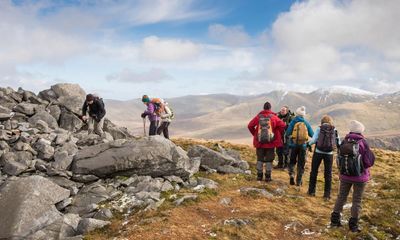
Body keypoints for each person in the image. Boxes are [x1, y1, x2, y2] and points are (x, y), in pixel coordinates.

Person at [330, 120, 375, 232]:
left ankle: (335, 221)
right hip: (360, 177)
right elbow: (369, 161)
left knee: (341, 197)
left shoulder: (345, 141)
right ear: (360, 131)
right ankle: (353, 225)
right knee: (357, 200)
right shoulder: (363, 142)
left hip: (345, 175)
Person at [248, 102, 286, 182]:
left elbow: (250, 126)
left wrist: (256, 135)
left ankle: (259, 176)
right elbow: (283, 125)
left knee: (260, 159)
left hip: (260, 143)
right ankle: (268, 177)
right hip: (270, 143)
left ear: (263, 108)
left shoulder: (258, 117)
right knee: (269, 160)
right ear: (270, 108)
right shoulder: (274, 117)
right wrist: (275, 133)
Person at [307, 115, 340, 200]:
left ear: (322, 121)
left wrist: (308, 144)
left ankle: (311, 191)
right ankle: (327, 195)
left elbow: (314, 140)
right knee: (328, 173)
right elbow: (338, 142)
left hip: (318, 152)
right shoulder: (334, 130)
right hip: (329, 154)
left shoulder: (319, 129)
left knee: (314, 171)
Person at [285, 106, 314, 186]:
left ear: (297, 114)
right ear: (303, 115)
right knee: (301, 164)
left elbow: (287, 133)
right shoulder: (306, 122)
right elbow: (312, 134)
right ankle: (299, 181)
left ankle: (291, 175)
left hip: (293, 145)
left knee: (292, 162)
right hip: (303, 146)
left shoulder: (293, 122)